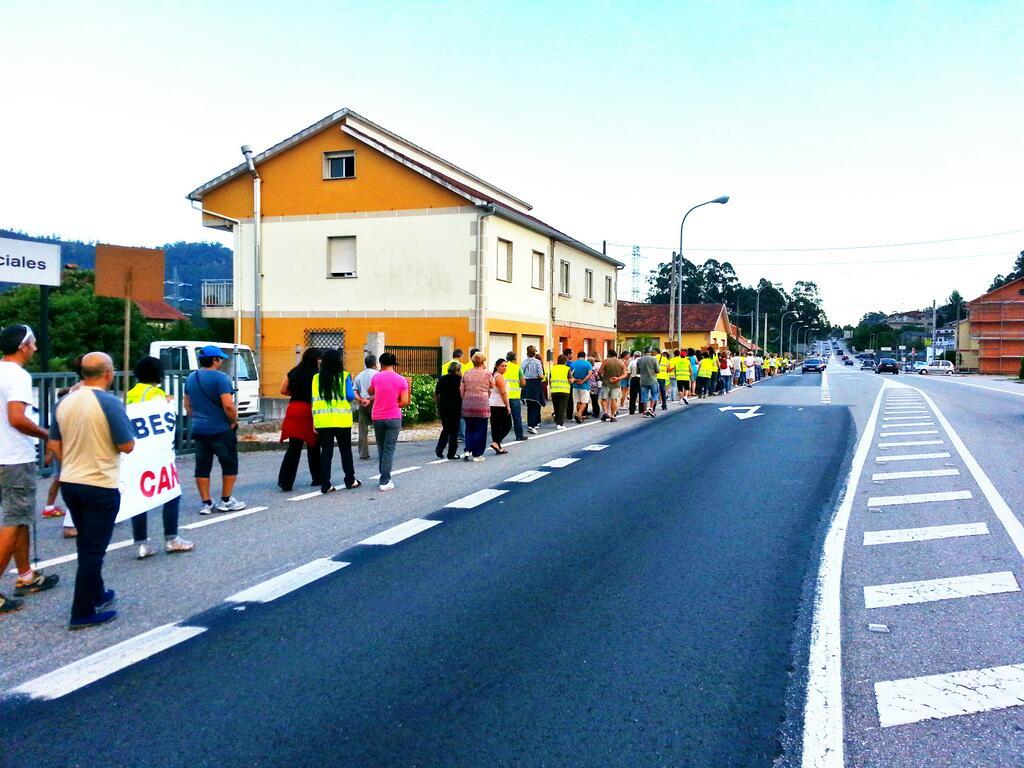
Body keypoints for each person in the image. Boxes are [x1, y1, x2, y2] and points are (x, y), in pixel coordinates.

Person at [48, 352, 134, 629]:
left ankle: (97, 592)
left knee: (86, 541)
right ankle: (82, 611)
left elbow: (53, 445)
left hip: (71, 481)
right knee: (93, 550)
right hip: (99, 481)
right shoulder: (109, 402)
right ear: (108, 374)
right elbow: (126, 444)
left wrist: (71, 460)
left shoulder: (64, 401)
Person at [0, 325, 57, 615]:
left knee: (19, 517)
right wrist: (45, 434)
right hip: (13, 457)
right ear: (23, 346)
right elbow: (16, 418)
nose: (35, 348)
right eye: (33, 343)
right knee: (13, 519)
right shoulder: (18, 376)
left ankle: (26, 575)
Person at [126, 356, 194, 558]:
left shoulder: (129, 394)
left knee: (139, 497)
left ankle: (141, 543)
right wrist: (168, 404)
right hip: (157, 453)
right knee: (171, 493)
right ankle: (172, 538)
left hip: (136, 453)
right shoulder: (156, 393)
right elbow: (165, 422)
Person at [184, 345, 245, 514]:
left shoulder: (191, 378)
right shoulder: (222, 379)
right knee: (229, 464)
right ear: (214, 360)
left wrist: (197, 418)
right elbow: (228, 405)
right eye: (220, 358)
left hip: (199, 428)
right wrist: (233, 421)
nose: (221, 361)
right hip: (220, 429)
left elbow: (187, 405)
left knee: (202, 466)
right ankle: (225, 500)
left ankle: (206, 502)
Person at [313, 348, 359, 493]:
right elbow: (350, 396)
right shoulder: (344, 376)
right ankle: (350, 480)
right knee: (345, 451)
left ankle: (325, 483)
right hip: (341, 420)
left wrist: (314, 421)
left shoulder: (316, 378)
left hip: (322, 420)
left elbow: (313, 400)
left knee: (326, 452)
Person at [277, 347, 322, 491]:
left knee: (294, 448)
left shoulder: (294, 371)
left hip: (294, 408)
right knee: (313, 445)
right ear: (316, 359)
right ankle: (317, 477)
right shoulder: (317, 375)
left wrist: (295, 393)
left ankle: (285, 482)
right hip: (309, 410)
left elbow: (283, 390)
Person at [367, 352, 409, 490]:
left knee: (381, 447)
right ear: (394, 364)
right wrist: (395, 404)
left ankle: (383, 475)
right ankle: (385, 480)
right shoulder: (401, 380)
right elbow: (404, 401)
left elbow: (370, 391)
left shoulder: (376, 377)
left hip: (377, 416)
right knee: (389, 449)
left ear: (380, 363)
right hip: (393, 416)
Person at [460, 352, 492, 459]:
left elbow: (461, 390)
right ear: (483, 361)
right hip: (482, 403)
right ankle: (477, 453)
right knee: (480, 428)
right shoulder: (487, 374)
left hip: (468, 402)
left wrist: (465, 398)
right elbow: (492, 385)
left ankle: (468, 449)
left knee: (469, 428)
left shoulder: (467, 373)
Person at [434, 362, 462, 459]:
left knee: (446, 428)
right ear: (458, 370)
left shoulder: (443, 379)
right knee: (454, 431)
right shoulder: (460, 380)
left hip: (444, 407)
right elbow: (463, 393)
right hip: (456, 407)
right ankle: (451, 453)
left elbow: (436, 393)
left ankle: (440, 448)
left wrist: (438, 405)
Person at [353, 354, 378, 461]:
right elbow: (379, 391)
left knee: (363, 430)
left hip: (362, 405)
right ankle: (381, 451)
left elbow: (354, 392)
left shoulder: (359, 376)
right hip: (375, 404)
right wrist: (370, 400)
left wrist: (361, 400)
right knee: (379, 429)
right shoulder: (378, 375)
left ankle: (364, 453)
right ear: (375, 364)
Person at [520, 346, 545, 435]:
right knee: (535, 405)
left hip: (526, 384)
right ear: (535, 352)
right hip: (535, 384)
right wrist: (542, 377)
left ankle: (531, 423)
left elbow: (521, 373)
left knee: (529, 405)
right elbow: (541, 375)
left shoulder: (523, 362)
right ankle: (532, 425)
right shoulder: (537, 362)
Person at [489, 359, 512, 454]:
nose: (504, 368)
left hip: (493, 404)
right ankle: (496, 442)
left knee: (496, 426)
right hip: (500, 405)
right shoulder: (499, 377)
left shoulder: (495, 376)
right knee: (507, 425)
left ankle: (497, 445)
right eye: (502, 366)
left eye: (506, 366)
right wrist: (508, 406)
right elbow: (503, 392)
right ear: (497, 366)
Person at [504, 352, 526, 441]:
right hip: (514, 396)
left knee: (503, 418)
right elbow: (523, 382)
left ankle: (499, 437)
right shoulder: (518, 368)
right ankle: (519, 435)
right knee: (516, 417)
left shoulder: (502, 366)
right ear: (515, 358)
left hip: (503, 396)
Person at [599, 349, 626, 422]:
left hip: (606, 382)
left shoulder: (606, 361)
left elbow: (600, 371)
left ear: (609, 354)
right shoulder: (620, 362)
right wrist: (618, 378)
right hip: (616, 384)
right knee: (614, 399)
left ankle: (605, 412)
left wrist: (602, 378)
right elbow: (625, 374)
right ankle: (613, 415)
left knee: (604, 398)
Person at [548, 354, 571, 430]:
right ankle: (560, 424)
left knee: (556, 407)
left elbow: (550, 380)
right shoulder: (567, 369)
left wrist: (552, 387)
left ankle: (557, 421)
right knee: (562, 408)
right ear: (565, 361)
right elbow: (570, 381)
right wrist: (573, 379)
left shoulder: (553, 368)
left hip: (554, 390)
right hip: (564, 391)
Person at [568, 351, 593, 424]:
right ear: (585, 356)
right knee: (584, 401)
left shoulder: (573, 364)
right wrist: (583, 381)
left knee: (578, 401)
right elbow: (589, 374)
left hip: (575, 385)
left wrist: (576, 380)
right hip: (584, 386)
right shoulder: (588, 363)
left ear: (577, 356)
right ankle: (579, 414)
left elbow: (570, 375)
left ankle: (580, 416)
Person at [636, 349, 660, 417]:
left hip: (643, 380)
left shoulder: (639, 360)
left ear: (644, 352)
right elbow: (657, 370)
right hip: (652, 380)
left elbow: (637, 372)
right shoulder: (654, 359)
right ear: (650, 352)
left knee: (644, 396)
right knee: (654, 394)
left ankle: (645, 411)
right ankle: (651, 409)